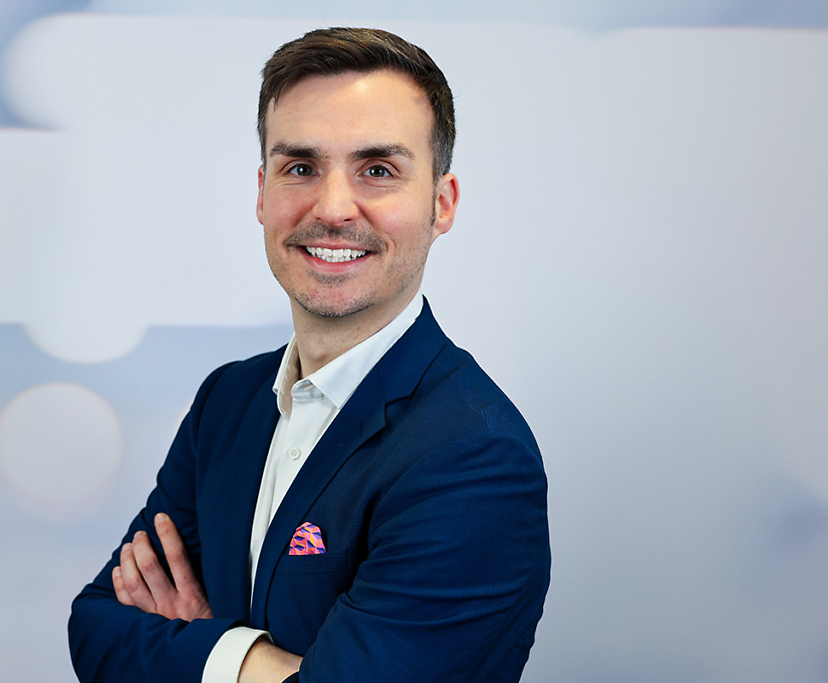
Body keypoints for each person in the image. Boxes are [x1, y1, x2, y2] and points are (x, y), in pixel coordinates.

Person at [69, 27, 549, 683]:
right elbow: (97, 628)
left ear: (441, 204)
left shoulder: (475, 455)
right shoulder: (227, 403)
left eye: (377, 171)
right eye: (300, 168)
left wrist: (206, 646)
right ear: (262, 192)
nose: (332, 208)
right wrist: (269, 664)